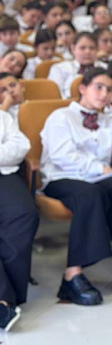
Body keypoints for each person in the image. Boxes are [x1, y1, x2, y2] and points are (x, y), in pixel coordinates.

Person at [40, 68, 112, 305]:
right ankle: (72, 275)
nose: (104, 94)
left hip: (96, 177)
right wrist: (104, 170)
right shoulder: (61, 116)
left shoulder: (107, 119)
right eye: (99, 87)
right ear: (82, 88)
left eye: (109, 89)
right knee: (89, 194)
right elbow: (61, 156)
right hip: (62, 176)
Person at [0, 106, 35, 331]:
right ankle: (3, 301)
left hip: (4, 174)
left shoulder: (2, 117)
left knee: (23, 213)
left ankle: (11, 292)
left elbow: (20, 146)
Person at [49, 32, 107, 98]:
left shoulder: (105, 68)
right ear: (73, 48)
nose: (87, 51)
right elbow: (56, 95)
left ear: (97, 49)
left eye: (92, 48)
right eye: (82, 48)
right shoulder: (60, 68)